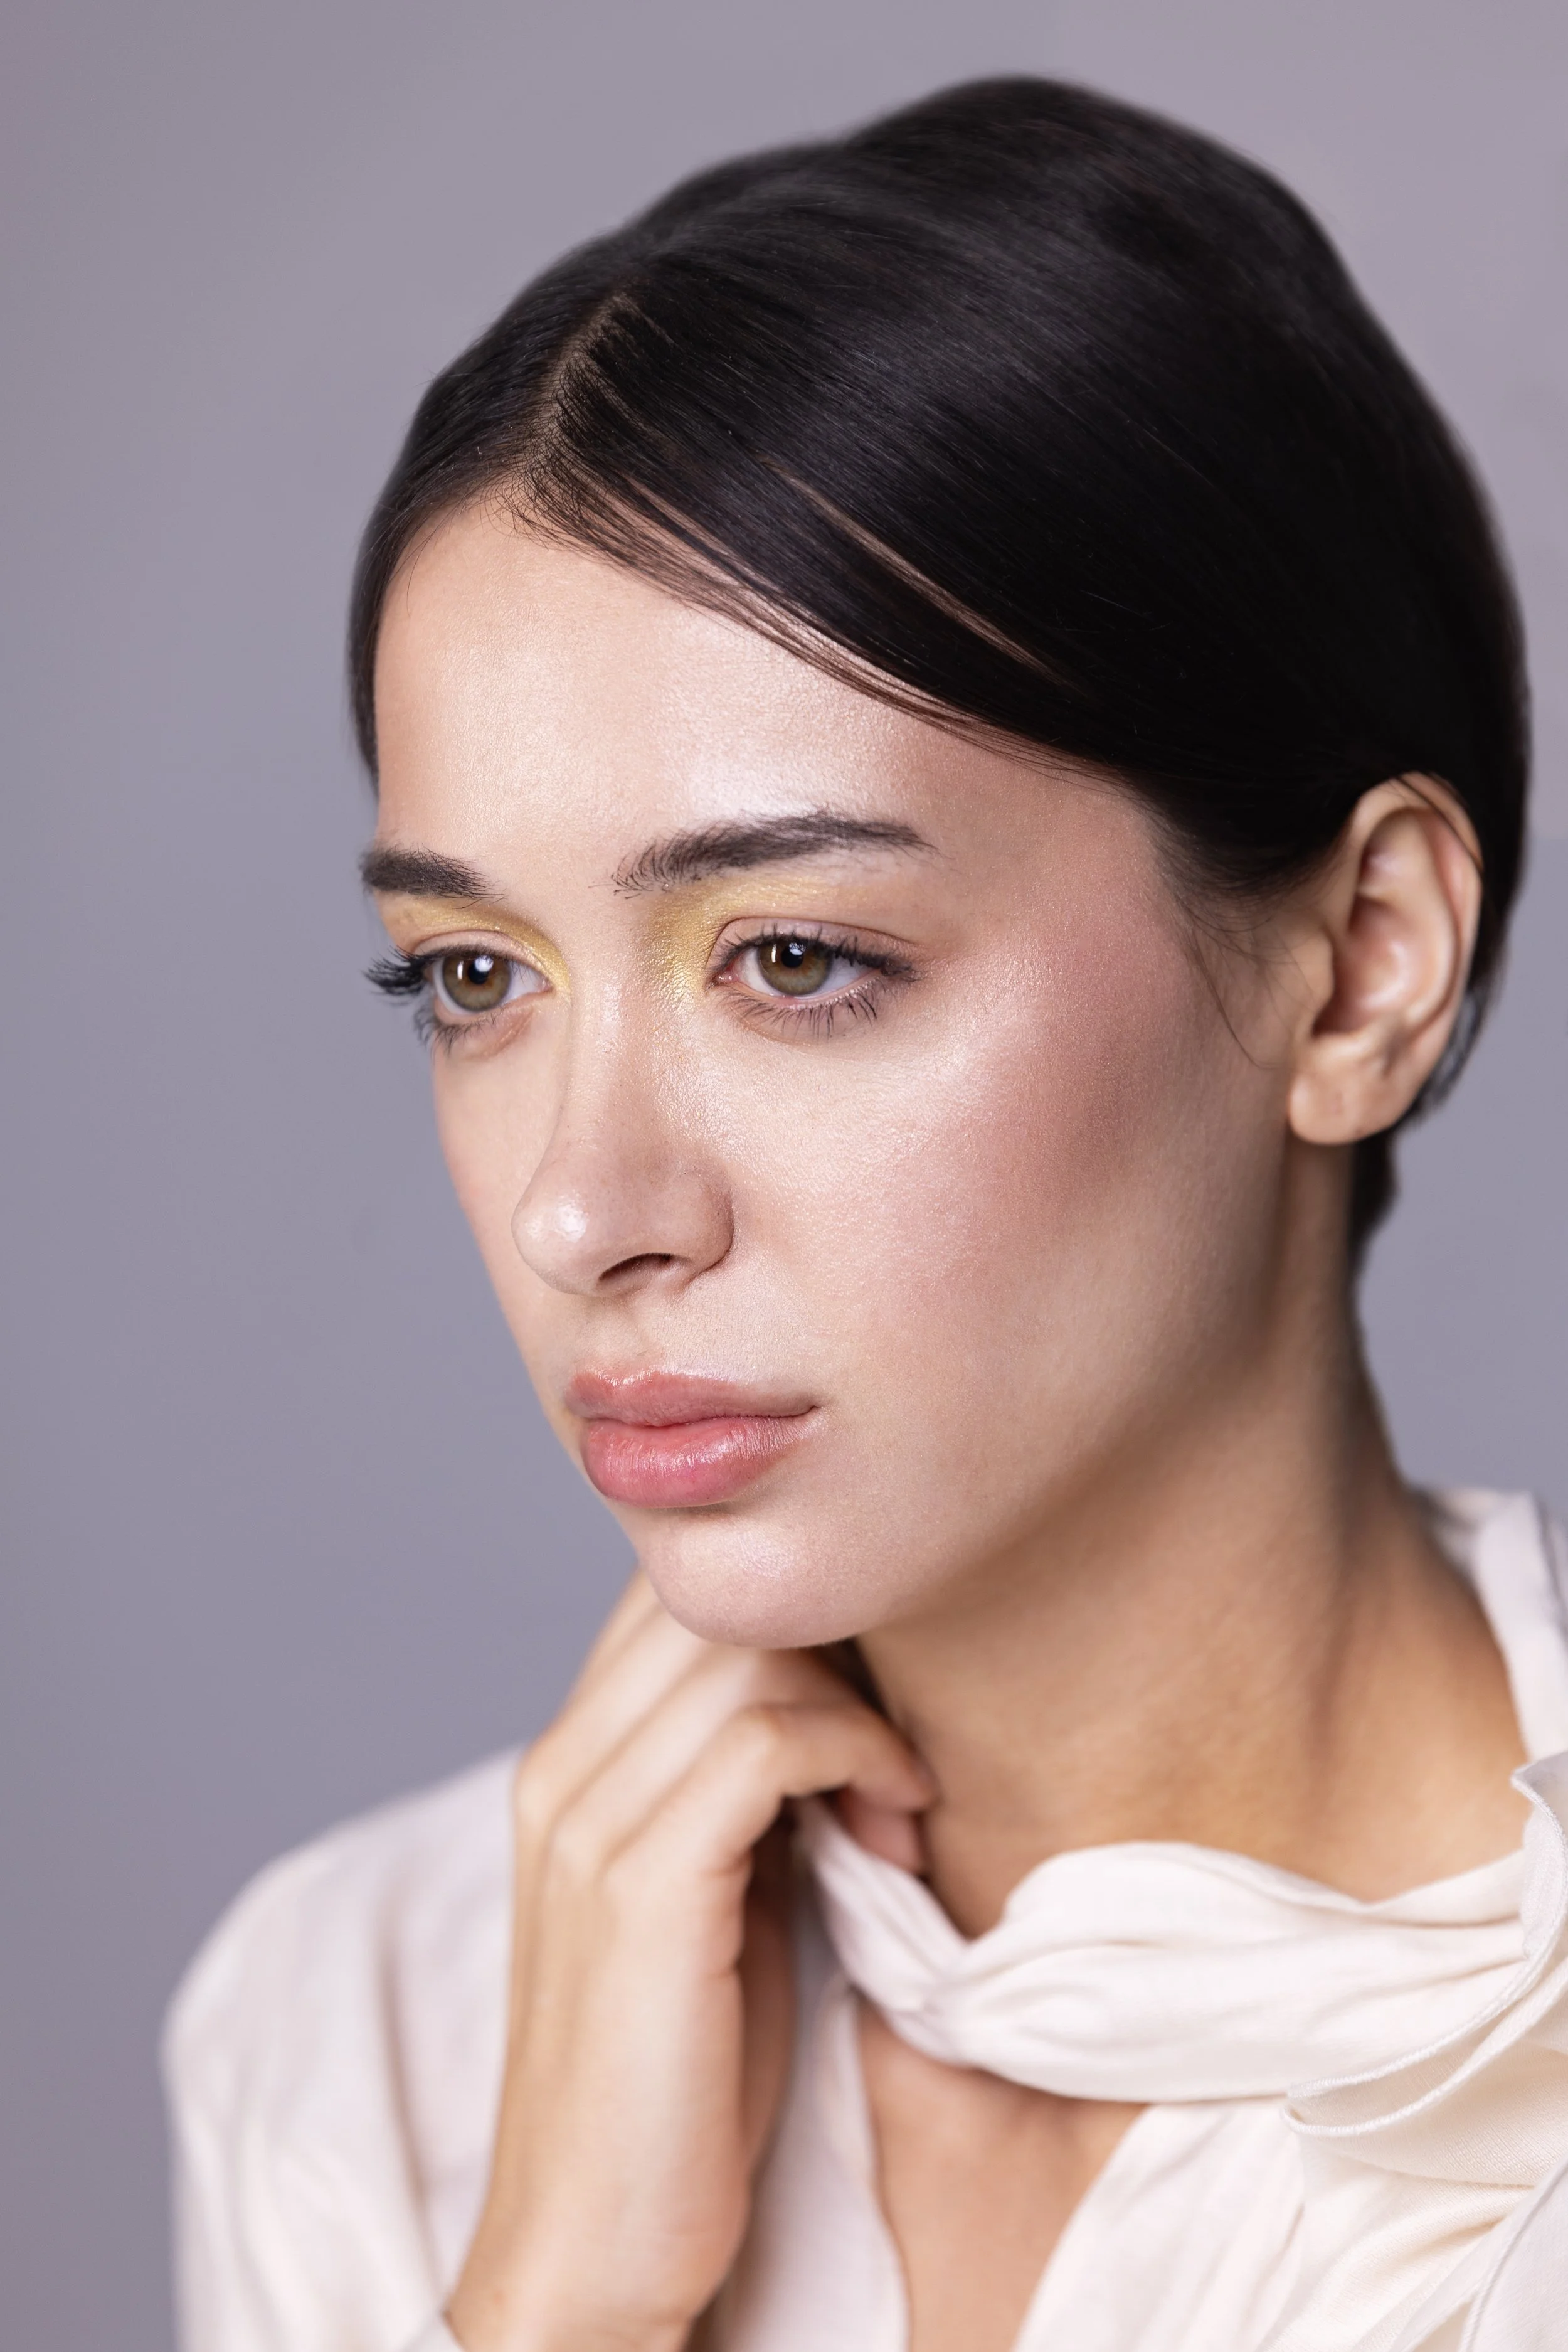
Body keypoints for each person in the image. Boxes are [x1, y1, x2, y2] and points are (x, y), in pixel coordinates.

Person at [164, 76, 1568, 2352]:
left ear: (1360, 958)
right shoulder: (367, 2039)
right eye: (472, 978)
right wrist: (543, 2315)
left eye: (795, 957)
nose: (582, 1211)